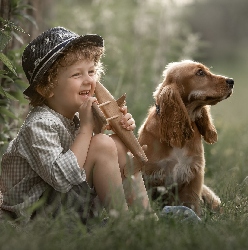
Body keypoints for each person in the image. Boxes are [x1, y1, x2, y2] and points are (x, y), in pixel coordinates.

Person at [0, 27, 153, 224]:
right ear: (47, 88)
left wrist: (118, 128)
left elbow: (90, 157)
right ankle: (123, 225)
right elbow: (61, 178)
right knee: (102, 144)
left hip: (63, 205)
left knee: (116, 143)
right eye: (76, 75)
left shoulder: (75, 118)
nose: (89, 80)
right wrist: (87, 129)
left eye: (91, 71)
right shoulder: (38, 125)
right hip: (34, 219)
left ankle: (146, 218)